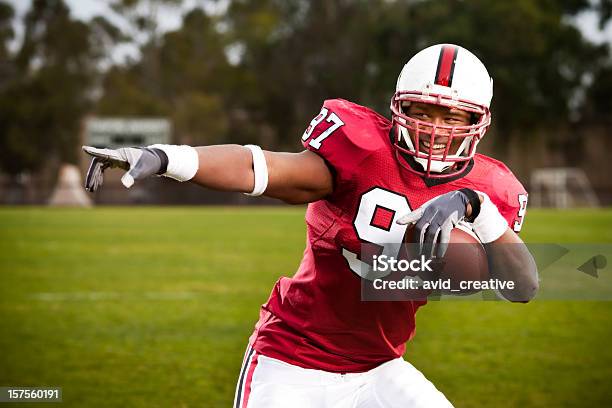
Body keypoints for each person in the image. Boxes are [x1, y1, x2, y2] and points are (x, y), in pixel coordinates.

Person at [83, 44, 539, 408]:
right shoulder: (362, 152)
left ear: (478, 122)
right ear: (399, 108)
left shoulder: (488, 187)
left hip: (379, 367)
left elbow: (523, 285)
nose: (435, 129)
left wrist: (478, 207)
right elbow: (260, 169)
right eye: (422, 111)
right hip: (292, 362)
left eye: (452, 116)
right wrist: (168, 157)